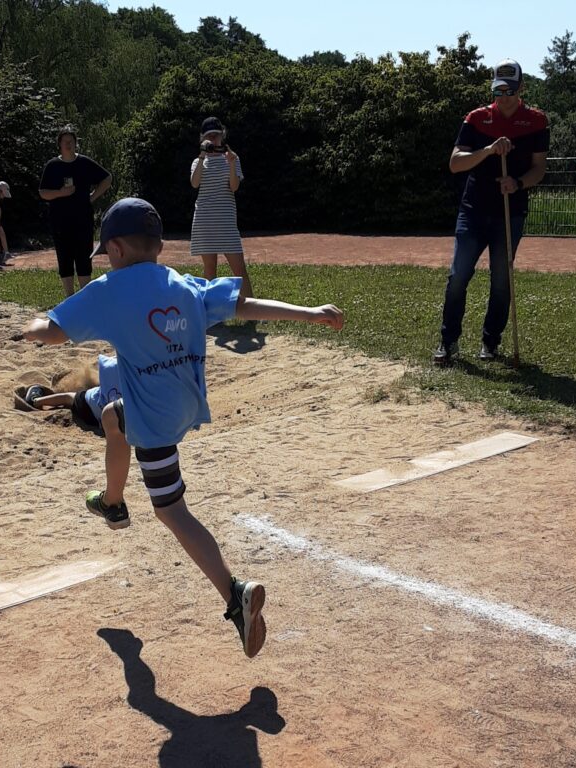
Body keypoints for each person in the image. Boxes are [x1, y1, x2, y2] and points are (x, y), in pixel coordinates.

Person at [21, 197, 344, 658]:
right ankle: (112, 503)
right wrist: (310, 312)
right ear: (155, 245)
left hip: (154, 420)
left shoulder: (111, 288)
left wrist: (32, 328)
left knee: (171, 511)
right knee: (113, 415)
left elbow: (53, 330)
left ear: (114, 249)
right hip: (180, 405)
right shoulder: (186, 284)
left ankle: (235, 594)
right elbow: (245, 306)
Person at [433, 59, 549, 365]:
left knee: (501, 280)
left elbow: (539, 169)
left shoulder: (536, 121)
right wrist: (486, 151)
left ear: (522, 88)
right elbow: (456, 163)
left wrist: (518, 182)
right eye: (499, 91)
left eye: (510, 91)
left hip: (510, 212)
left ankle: (490, 343)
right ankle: (448, 342)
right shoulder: (476, 119)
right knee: (459, 275)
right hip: (473, 211)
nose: (504, 98)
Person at [38, 125, 112, 297]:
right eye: (65, 142)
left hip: (83, 219)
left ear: (76, 143)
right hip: (60, 220)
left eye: (71, 141)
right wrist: (60, 193)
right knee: (64, 257)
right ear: (59, 144)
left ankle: (84, 297)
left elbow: (107, 178)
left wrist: (93, 196)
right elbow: (43, 192)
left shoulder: (84, 163)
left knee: (84, 257)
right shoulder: (53, 165)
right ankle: (69, 297)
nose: (68, 145)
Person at [190, 117, 253, 299]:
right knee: (210, 270)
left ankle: (252, 310)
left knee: (239, 269)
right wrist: (203, 156)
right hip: (204, 221)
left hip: (225, 222)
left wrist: (232, 163)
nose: (213, 139)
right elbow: (194, 183)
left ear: (222, 136)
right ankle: (212, 314)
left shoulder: (232, 158)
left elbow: (234, 187)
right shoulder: (197, 161)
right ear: (202, 138)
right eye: (209, 136)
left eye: (216, 135)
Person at [21, 354, 122, 438]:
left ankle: (36, 400)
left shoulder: (119, 364)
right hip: (116, 420)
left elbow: (108, 367)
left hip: (93, 410)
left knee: (68, 397)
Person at [0, 181, 13, 263]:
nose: (3, 196)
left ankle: (5, 253)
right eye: (2, 193)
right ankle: (4, 253)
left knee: (1, 236)